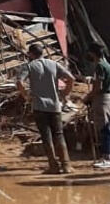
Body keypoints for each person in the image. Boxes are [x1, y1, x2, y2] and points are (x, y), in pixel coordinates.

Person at [17, 41, 74, 174]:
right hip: (55, 106)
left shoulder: (30, 66)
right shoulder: (53, 64)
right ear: (42, 52)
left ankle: (53, 166)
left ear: (30, 54)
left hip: (39, 106)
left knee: (46, 136)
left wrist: (26, 96)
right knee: (59, 135)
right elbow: (71, 78)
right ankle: (66, 165)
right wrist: (64, 94)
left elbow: (19, 82)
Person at [85, 42, 110, 168]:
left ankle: (106, 158)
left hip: (101, 100)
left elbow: (98, 87)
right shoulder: (108, 66)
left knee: (104, 129)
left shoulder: (99, 66)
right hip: (109, 98)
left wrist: (88, 97)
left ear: (92, 53)